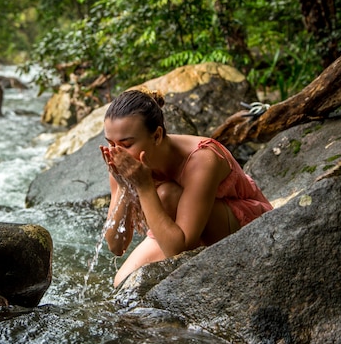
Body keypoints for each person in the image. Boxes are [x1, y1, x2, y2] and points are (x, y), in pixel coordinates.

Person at [100, 88, 273, 287]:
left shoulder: (202, 158)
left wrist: (144, 186)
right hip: (177, 230)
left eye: (126, 144)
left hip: (247, 226)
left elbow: (179, 250)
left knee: (166, 195)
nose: (116, 153)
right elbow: (116, 246)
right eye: (111, 143)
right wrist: (123, 185)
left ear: (156, 136)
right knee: (122, 283)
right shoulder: (121, 161)